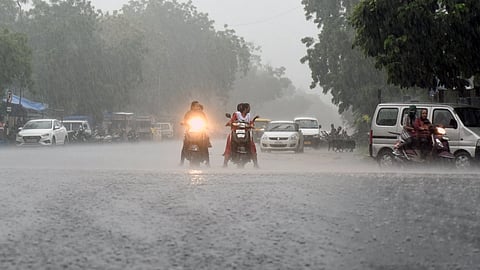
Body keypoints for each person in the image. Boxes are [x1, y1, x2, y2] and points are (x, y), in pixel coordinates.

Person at [223, 103, 259, 168]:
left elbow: (251, 122)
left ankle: (255, 163)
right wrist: (231, 123)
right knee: (229, 142)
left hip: (246, 132)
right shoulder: (236, 114)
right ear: (245, 109)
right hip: (235, 131)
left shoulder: (248, 115)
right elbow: (232, 120)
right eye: (248, 108)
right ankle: (225, 163)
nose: (249, 109)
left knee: (252, 144)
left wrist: (252, 125)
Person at [180, 101, 210, 166]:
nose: (198, 107)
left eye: (198, 106)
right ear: (192, 106)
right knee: (185, 143)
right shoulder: (188, 113)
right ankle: (181, 161)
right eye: (196, 105)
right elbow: (184, 120)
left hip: (200, 131)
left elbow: (206, 121)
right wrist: (183, 123)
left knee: (205, 144)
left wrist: (206, 125)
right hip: (190, 131)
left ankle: (207, 161)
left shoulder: (201, 113)